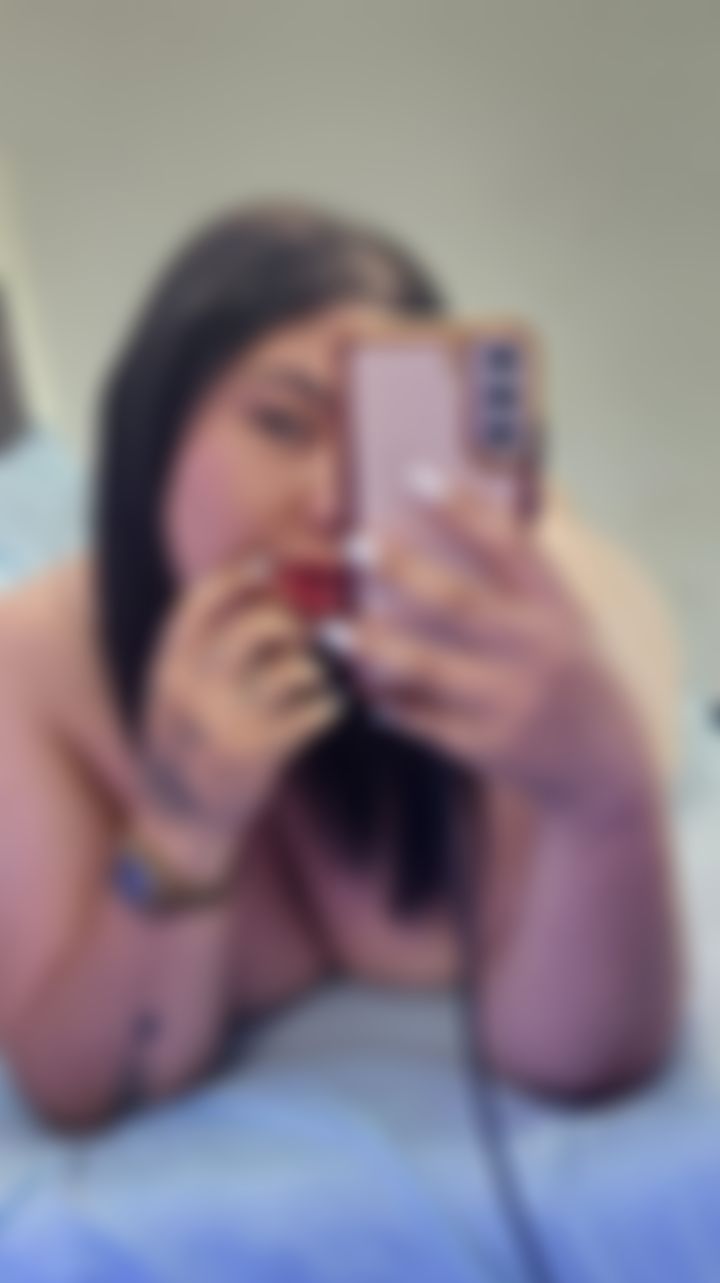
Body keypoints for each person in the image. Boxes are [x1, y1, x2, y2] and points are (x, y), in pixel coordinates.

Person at [0, 201, 681, 1130]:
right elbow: (82, 1084)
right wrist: (180, 825)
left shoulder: (508, 637)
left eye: (380, 443)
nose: (332, 502)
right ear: (154, 428)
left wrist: (603, 797)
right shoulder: (35, 661)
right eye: (284, 424)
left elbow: (578, 1057)